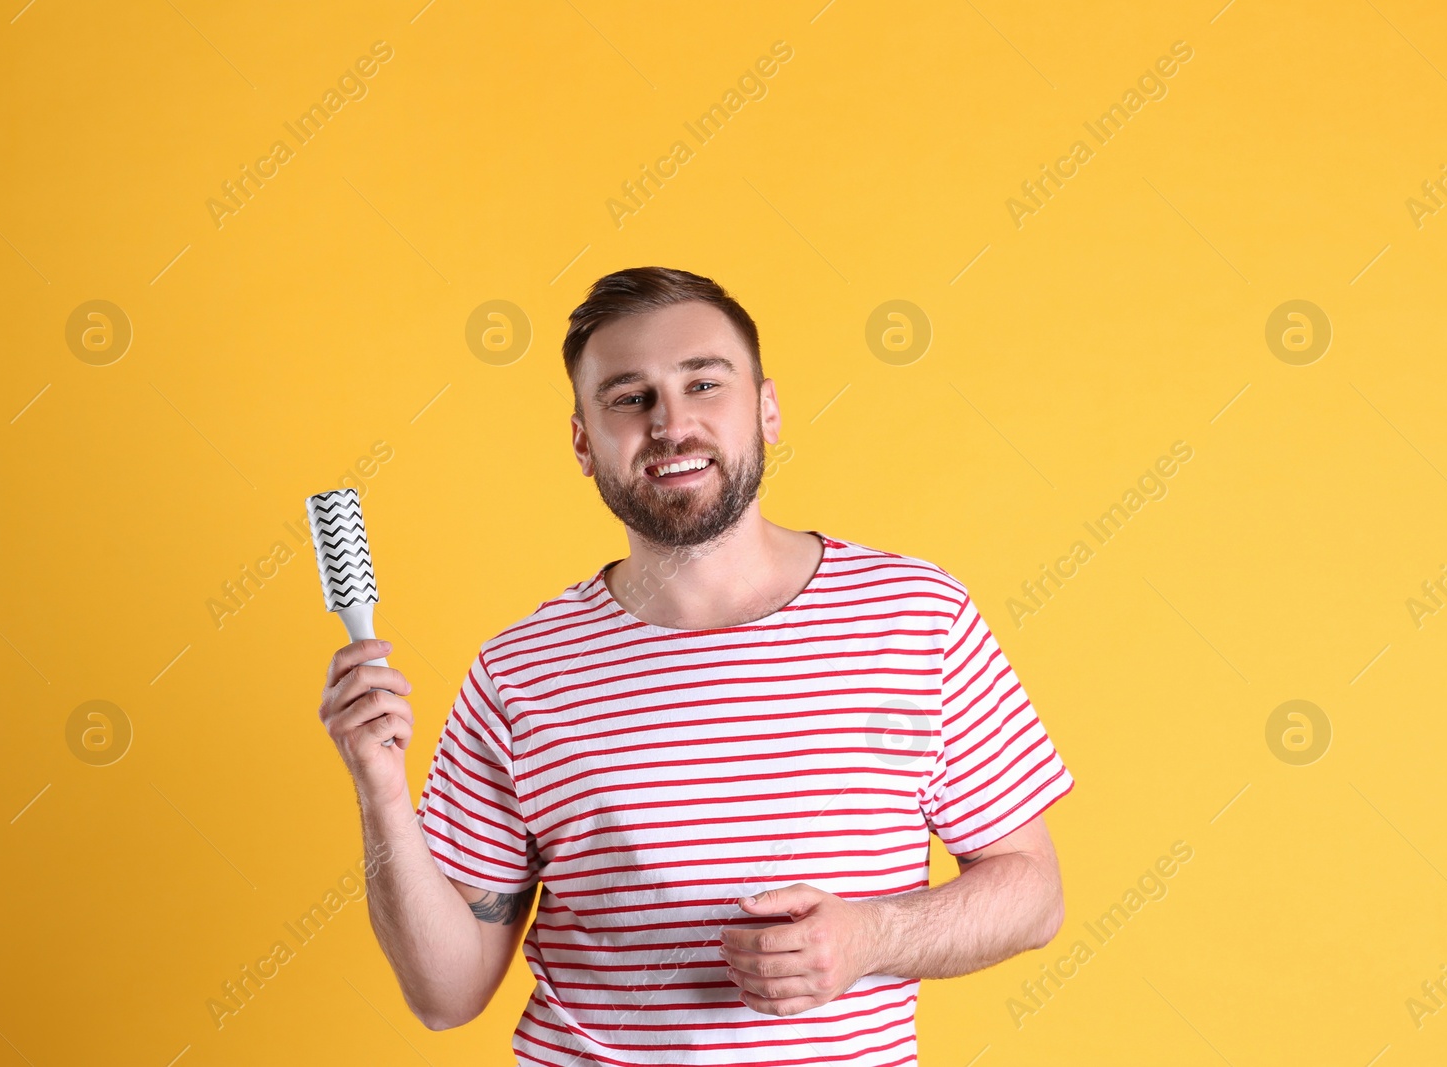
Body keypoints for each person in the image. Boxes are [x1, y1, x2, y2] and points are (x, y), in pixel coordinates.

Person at [317, 266, 1075, 1066]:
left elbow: (1032, 891)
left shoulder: (918, 616)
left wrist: (871, 935)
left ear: (768, 408)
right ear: (583, 441)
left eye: (704, 383)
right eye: (628, 397)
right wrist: (378, 786)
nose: (672, 424)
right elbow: (445, 994)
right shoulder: (521, 671)